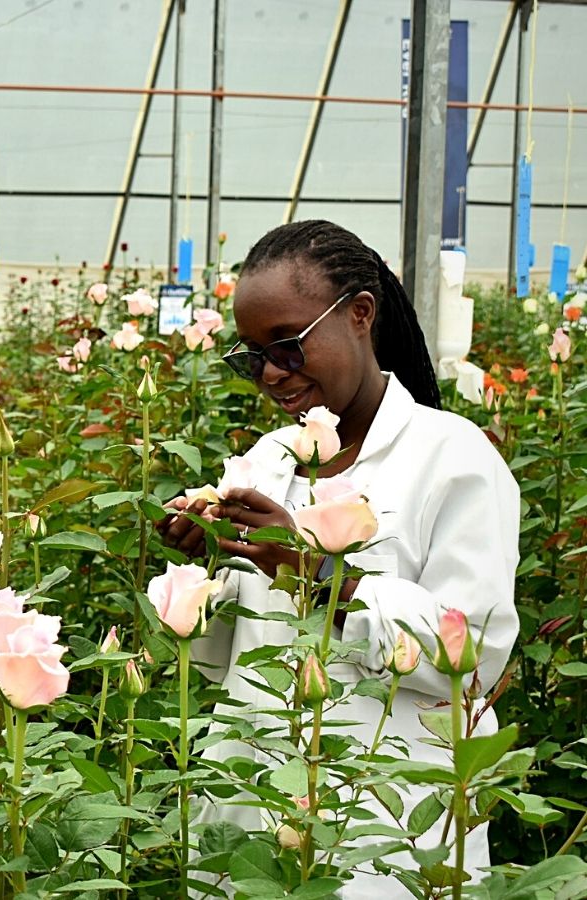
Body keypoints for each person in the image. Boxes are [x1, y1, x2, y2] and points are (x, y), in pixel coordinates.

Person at [156, 220, 519, 897]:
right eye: (251, 355)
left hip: (385, 836)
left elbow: (473, 653)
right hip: (255, 823)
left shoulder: (454, 457)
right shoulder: (269, 461)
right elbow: (226, 659)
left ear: (359, 314)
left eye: (287, 346)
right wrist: (200, 573)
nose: (269, 374)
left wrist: (323, 577)